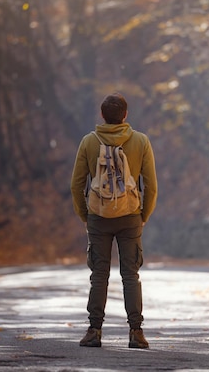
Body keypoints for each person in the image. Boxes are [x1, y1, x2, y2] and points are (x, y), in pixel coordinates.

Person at [70, 93, 158, 349]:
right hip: (130, 215)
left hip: (98, 216)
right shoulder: (140, 141)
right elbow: (151, 185)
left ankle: (94, 331)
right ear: (125, 115)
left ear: (102, 115)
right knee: (130, 275)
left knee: (99, 275)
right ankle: (136, 333)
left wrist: (85, 215)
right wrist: (144, 215)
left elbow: (77, 184)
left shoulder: (89, 142)